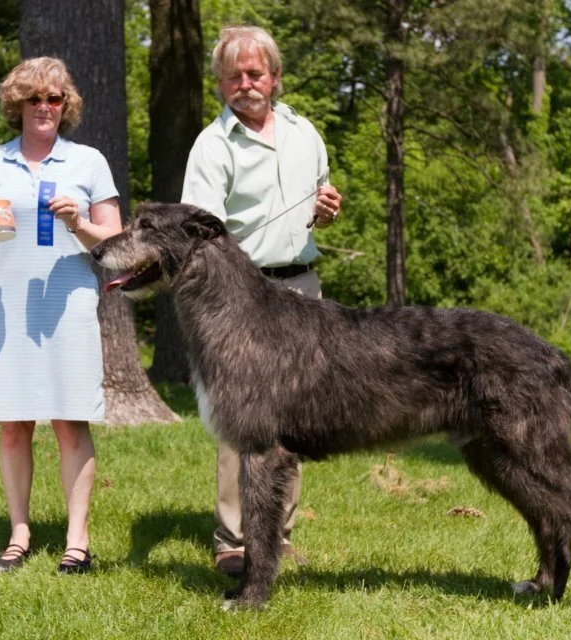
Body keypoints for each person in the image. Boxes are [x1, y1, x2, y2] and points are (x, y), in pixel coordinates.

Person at [181, 25, 343, 577]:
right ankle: (234, 539)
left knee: (294, 417)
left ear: (274, 77)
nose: (245, 84)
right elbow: (200, 232)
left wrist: (325, 210)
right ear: (220, 83)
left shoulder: (305, 132)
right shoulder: (212, 145)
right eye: (234, 76)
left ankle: (276, 535)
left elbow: (318, 204)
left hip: (301, 288)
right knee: (243, 419)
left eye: (255, 74)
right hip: (241, 299)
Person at [0, 57, 122, 574]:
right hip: (4, 310)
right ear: (17, 104)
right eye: (34, 98)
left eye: (54, 98)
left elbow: (115, 242)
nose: (45, 107)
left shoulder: (88, 161)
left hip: (67, 307)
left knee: (70, 423)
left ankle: (77, 541)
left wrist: (78, 223)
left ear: (65, 105)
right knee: (12, 425)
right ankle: (19, 533)